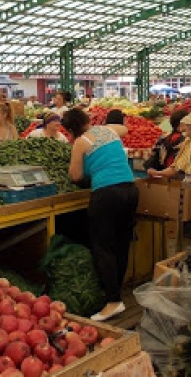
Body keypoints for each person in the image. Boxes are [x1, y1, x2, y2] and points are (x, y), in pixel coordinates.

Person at [62, 108, 138, 322]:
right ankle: (116, 293)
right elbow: (123, 128)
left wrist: (82, 167)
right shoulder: (109, 131)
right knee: (121, 243)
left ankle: (113, 301)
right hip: (130, 190)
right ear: (87, 120)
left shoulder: (80, 142)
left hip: (107, 193)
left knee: (102, 246)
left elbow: (76, 175)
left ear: (69, 129)